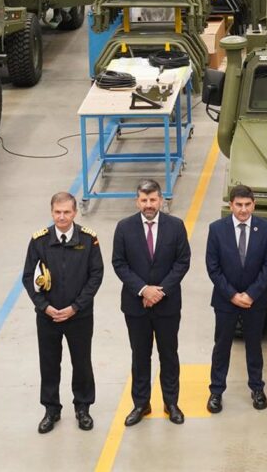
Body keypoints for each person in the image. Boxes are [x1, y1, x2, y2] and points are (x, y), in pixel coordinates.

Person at [22, 191, 104, 434]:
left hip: (79, 316)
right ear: (51, 212)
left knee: (82, 362)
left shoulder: (88, 240)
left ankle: (83, 408)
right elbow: (28, 277)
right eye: (57, 212)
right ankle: (51, 410)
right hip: (48, 317)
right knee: (49, 363)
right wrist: (44, 307)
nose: (62, 217)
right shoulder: (39, 241)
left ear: (75, 213)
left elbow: (96, 275)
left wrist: (75, 307)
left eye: (67, 212)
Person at [111, 179, 191, 427]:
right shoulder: (124, 228)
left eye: (153, 199)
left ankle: (171, 403)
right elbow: (119, 263)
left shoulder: (175, 226)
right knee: (140, 355)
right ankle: (141, 404)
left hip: (167, 305)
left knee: (169, 355)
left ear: (160, 200)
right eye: (144, 200)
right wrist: (144, 290)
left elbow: (182, 262)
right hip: (136, 306)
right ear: (137, 201)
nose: (148, 204)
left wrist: (160, 292)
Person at [205, 184, 267, 413]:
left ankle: (257, 388)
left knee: (254, 346)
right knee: (222, 346)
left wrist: (251, 294)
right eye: (239, 205)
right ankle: (216, 391)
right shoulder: (217, 229)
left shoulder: (265, 228)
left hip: (255, 301)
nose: (243, 209)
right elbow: (213, 267)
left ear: (254, 205)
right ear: (231, 205)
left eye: (247, 205)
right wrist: (232, 295)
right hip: (225, 300)